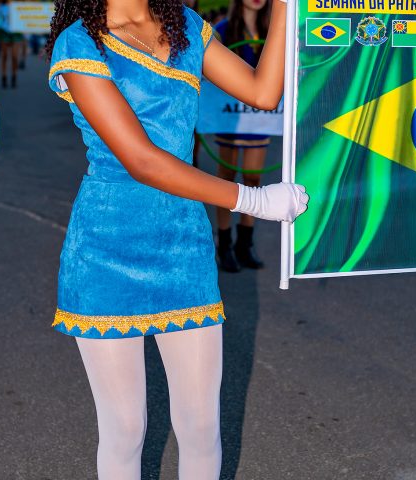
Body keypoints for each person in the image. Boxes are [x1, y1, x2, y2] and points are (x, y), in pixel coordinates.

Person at [46, 0, 304, 478]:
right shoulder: (78, 42)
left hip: (184, 243)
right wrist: (252, 200)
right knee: (125, 430)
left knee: (201, 426)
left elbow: (263, 92)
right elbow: (141, 161)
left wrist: (286, 6)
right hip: (105, 249)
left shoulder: (184, 24)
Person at [213, 0, 271, 273]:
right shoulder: (223, 30)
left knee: (253, 178)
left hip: (261, 119)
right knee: (227, 178)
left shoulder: (272, 30)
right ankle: (224, 242)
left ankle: (245, 243)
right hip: (231, 115)